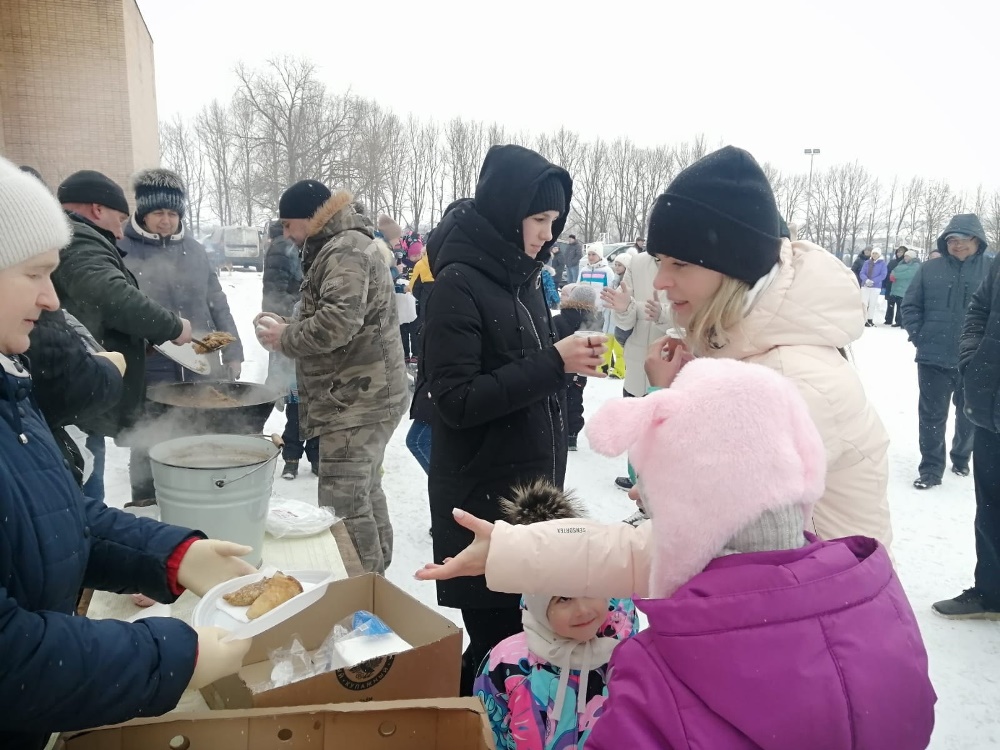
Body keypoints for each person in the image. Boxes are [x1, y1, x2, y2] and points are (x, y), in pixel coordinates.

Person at [417, 358, 936, 749]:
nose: (637, 500)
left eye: (655, 501)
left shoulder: (664, 665)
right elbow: (638, 550)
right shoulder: (877, 598)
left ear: (688, 518)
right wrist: (513, 548)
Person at [425, 145, 893, 556]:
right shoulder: (466, 283)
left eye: (680, 264)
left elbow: (696, 532)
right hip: (493, 489)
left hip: (810, 615)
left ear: (733, 266)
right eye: (659, 262)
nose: (662, 281)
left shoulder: (791, 379)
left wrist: (666, 406)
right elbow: (454, 397)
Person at [0, 155, 255, 750]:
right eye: (36, 274)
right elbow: (9, 657)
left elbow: (50, 517)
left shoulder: (10, 388)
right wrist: (174, 656)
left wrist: (171, 554)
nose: (52, 300)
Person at [420, 144, 602, 695]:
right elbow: (454, 400)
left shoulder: (522, 277)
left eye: (554, 220)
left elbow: (520, 367)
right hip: (483, 498)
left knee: (523, 644)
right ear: (506, 211)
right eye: (539, 219)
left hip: (530, 497)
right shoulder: (457, 284)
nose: (549, 234)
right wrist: (552, 363)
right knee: (496, 649)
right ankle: (464, 722)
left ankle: (499, 720)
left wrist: (567, 360)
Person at [255, 180, 408, 575]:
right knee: (364, 490)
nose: (286, 234)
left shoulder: (344, 249)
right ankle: (377, 578)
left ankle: (364, 592)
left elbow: (339, 323)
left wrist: (285, 337)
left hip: (358, 398)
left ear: (309, 218)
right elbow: (339, 313)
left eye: (288, 225)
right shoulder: (343, 244)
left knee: (344, 502)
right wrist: (287, 324)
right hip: (364, 393)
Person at [48, 169, 192, 503]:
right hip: (75, 389)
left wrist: (138, 341)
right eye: (120, 218)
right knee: (85, 490)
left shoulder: (72, 236)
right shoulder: (77, 238)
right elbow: (109, 295)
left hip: (77, 383)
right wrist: (173, 326)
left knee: (84, 480)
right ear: (97, 209)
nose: (119, 230)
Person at [474, 481, 638, 749]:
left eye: (590, 590)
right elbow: (490, 734)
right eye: (563, 598)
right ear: (539, 604)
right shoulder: (506, 666)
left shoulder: (630, 657)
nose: (583, 609)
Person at [119, 168, 244, 506]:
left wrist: (233, 351)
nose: (166, 220)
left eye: (173, 213)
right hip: (150, 364)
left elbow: (217, 302)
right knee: (149, 437)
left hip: (201, 361)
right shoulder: (122, 248)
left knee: (201, 434)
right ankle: (146, 504)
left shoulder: (195, 250)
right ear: (143, 211)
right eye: (158, 212)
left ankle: (196, 502)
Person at [901, 214, 992, 489]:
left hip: (975, 360)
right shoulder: (929, 269)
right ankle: (931, 469)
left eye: (963, 239)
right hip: (934, 357)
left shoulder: (992, 270)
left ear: (977, 240)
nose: (957, 244)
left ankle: (961, 457)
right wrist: (920, 336)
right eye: (952, 240)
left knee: (969, 415)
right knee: (931, 416)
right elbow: (910, 305)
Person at [933, 256, 1000, 618]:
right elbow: (980, 308)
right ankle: (992, 594)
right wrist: (973, 358)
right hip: (992, 405)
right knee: (991, 508)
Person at [601, 249, 671, 493]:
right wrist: (623, 309)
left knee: (664, 433)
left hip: (669, 364)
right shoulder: (639, 262)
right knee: (635, 427)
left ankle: (658, 489)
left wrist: (664, 314)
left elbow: (699, 313)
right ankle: (637, 481)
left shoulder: (691, 260)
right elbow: (626, 321)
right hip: (636, 362)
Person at [261, 219, 318, 479]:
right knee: (296, 416)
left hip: (316, 370)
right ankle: (291, 458)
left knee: (317, 418)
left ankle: (317, 458)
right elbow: (276, 295)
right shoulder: (284, 251)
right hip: (295, 366)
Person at [553, 284, 602, 450]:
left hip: (560, 366)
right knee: (575, 399)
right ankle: (572, 434)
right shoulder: (593, 322)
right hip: (581, 369)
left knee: (558, 400)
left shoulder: (558, 320)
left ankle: (557, 430)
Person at [887, 249, 920, 327]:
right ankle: (898, 321)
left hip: (905, 288)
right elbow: (894, 270)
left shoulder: (916, 265)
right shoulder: (901, 263)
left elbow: (909, 274)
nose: (905, 258)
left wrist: (895, 275)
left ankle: (903, 322)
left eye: (907, 256)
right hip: (896, 287)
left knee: (902, 307)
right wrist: (892, 275)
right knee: (898, 306)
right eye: (905, 256)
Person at [859, 247, 887, 326]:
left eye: (876, 253)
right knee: (864, 303)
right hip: (865, 286)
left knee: (872, 304)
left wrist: (873, 281)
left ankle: (870, 319)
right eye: (873, 253)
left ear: (879, 255)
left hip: (875, 287)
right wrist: (866, 280)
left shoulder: (882, 264)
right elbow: (862, 273)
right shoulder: (867, 262)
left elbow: (883, 275)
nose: (874, 255)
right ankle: (863, 319)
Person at [883, 244, 908, 325]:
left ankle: (898, 320)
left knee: (900, 304)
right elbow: (887, 272)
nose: (899, 254)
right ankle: (888, 319)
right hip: (890, 285)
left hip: (900, 286)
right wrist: (885, 283)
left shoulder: (906, 263)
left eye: (901, 252)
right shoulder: (892, 262)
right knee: (890, 303)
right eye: (898, 252)